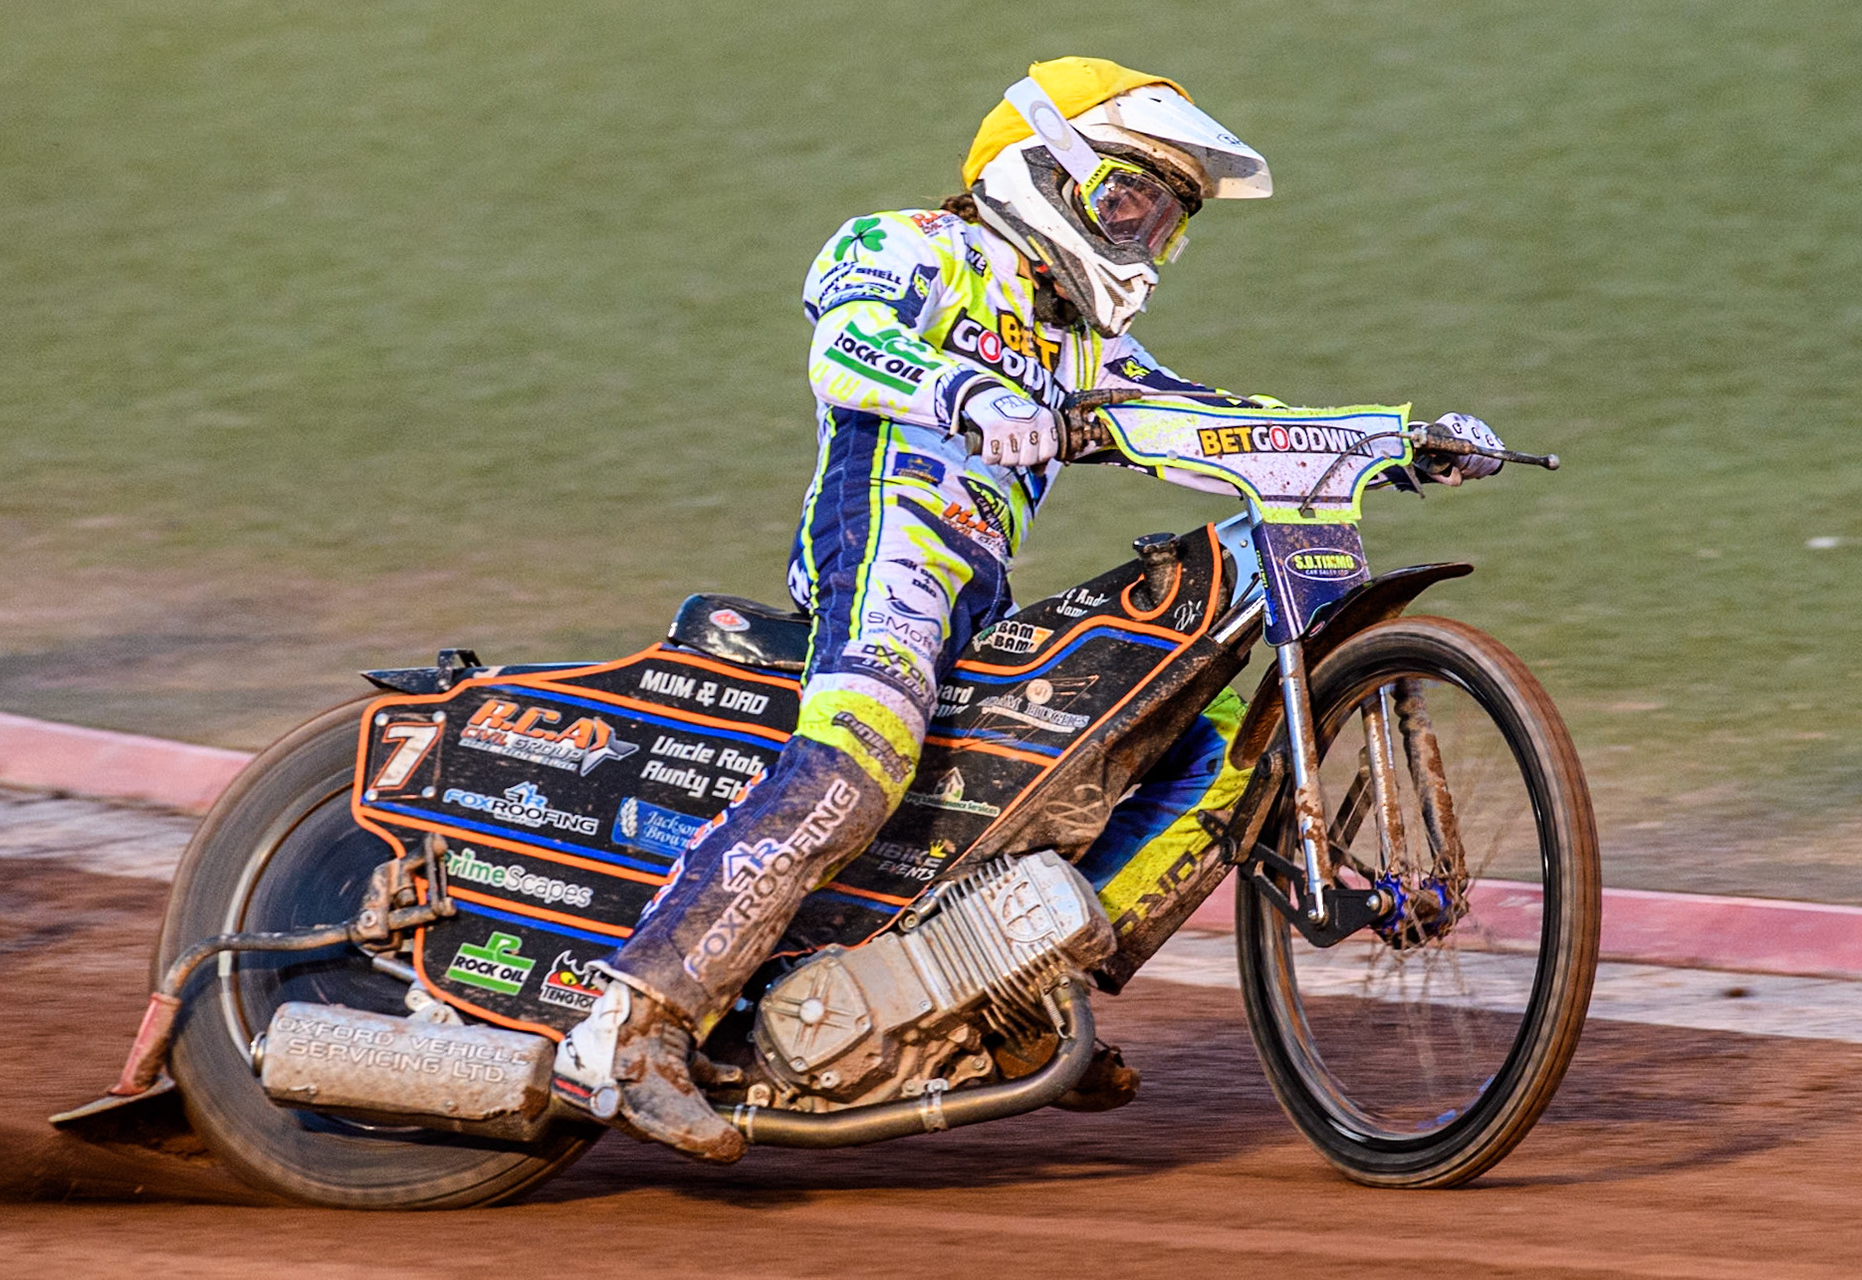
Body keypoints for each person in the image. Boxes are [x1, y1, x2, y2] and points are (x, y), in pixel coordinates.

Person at [555, 56, 1506, 1162]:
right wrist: (965, 389)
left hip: (981, 588)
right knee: (862, 759)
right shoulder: (908, 244)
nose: (1145, 235)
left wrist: (1391, 440)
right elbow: (843, 349)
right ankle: (631, 1022)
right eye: (1130, 198)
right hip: (885, 549)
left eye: (1165, 219)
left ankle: (1008, 997)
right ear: (1039, 168)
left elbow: (1217, 421)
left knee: (1201, 768)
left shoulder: (1087, 344)